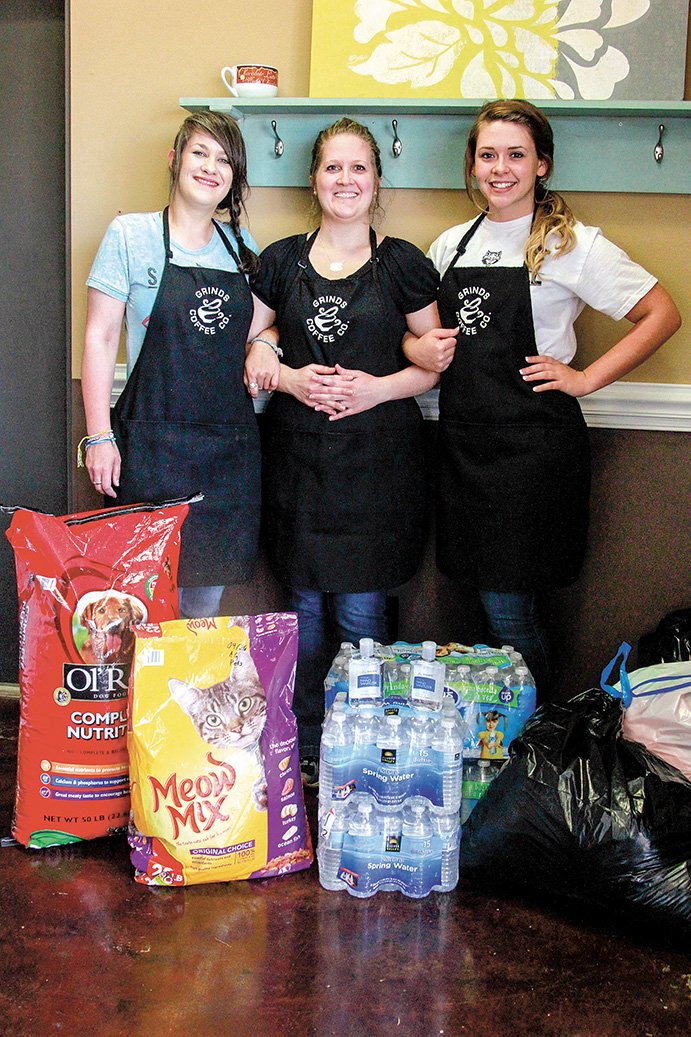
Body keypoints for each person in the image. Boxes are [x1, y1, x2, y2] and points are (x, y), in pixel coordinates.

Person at [405, 99, 681, 697]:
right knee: (479, 606)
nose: (500, 168)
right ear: (472, 166)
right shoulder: (450, 244)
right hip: (464, 446)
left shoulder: (570, 244)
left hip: (533, 452)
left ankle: (534, 744)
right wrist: (414, 348)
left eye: (516, 155)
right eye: (487, 155)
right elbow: (417, 332)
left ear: (542, 165)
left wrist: (586, 379)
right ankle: (497, 736)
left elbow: (661, 313)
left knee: (510, 613)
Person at [247, 117, 457, 785]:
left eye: (358, 168)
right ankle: (306, 751)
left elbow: (433, 361)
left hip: (376, 465)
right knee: (306, 610)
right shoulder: (279, 260)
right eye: (333, 167)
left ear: (375, 181)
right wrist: (284, 374)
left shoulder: (401, 263)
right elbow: (246, 345)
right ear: (313, 179)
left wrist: (375, 389)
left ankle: (364, 755)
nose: (345, 180)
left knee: (362, 614)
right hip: (299, 466)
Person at [81, 112, 276, 619]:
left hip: (225, 452)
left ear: (234, 176)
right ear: (175, 159)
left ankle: (190, 700)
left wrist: (266, 346)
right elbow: (100, 338)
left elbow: (263, 327)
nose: (211, 167)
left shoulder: (242, 247)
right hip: (149, 446)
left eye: (225, 159)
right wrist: (99, 437)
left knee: (204, 608)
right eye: (200, 153)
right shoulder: (130, 235)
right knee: (141, 600)